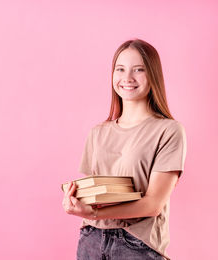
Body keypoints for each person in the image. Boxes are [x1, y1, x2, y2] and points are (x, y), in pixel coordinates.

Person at [62, 38, 187, 260]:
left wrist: (95, 212)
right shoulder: (98, 132)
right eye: (120, 69)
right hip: (91, 238)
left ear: (153, 75)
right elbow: (94, 194)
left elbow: (153, 204)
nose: (127, 78)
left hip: (138, 244)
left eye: (138, 70)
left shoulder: (168, 130)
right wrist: (74, 201)